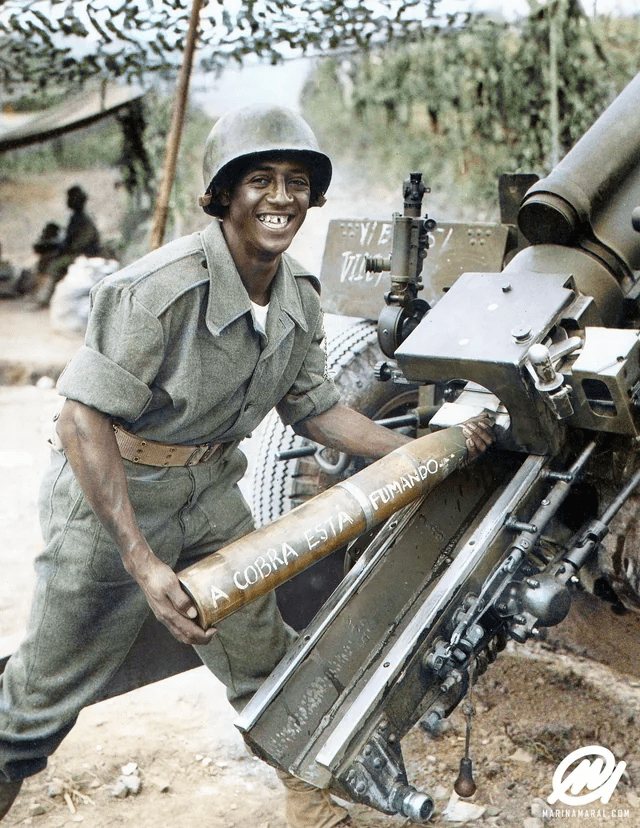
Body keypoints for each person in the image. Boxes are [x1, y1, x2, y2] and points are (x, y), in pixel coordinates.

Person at [0, 105, 494, 826]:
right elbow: (82, 421)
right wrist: (141, 560)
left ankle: (310, 804)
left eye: (297, 181)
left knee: (266, 659)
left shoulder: (298, 295)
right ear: (223, 193)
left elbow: (315, 408)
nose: (281, 197)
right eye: (260, 179)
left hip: (210, 493)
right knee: (39, 701)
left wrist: (420, 452)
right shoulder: (155, 290)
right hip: (113, 497)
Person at [32, 185, 101, 308]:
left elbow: (78, 244)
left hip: (86, 255)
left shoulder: (83, 220)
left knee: (55, 266)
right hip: (77, 253)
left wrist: (59, 249)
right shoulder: (76, 217)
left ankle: (45, 300)